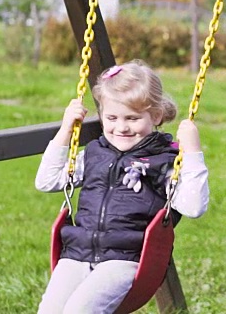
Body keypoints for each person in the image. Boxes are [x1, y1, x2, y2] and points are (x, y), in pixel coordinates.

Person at [35, 60, 209, 313]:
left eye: (132, 118)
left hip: (123, 259)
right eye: (112, 117)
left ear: (157, 115)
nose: (121, 127)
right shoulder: (96, 153)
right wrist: (65, 130)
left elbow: (193, 207)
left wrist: (192, 151)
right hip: (76, 253)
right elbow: (47, 181)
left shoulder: (162, 162)